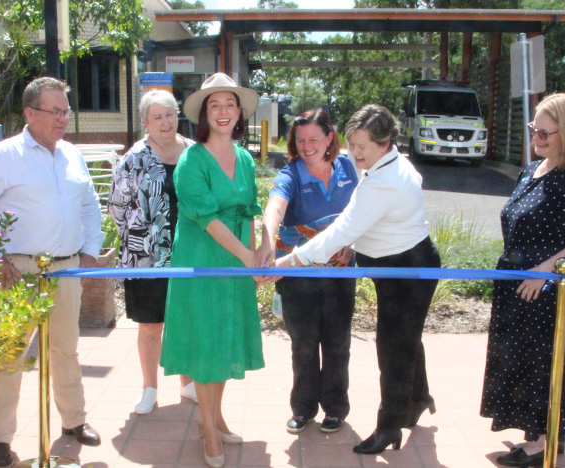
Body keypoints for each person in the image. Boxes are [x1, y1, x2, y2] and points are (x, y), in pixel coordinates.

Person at [0, 77, 104, 467]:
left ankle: (73, 422)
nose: (63, 119)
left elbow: (89, 205)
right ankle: (0, 441)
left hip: (66, 270)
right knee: (10, 355)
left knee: (66, 350)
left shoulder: (72, 155)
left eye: (66, 110)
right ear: (30, 113)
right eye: (55, 111)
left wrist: (89, 250)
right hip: (17, 272)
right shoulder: (4, 156)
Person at [271, 104, 441, 454]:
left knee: (393, 348)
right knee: (407, 339)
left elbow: (344, 228)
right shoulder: (385, 163)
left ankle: (389, 426)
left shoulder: (385, 179)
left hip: (407, 269)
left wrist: (287, 262)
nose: (356, 153)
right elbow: (356, 221)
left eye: (364, 146)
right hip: (391, 265)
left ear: (386, 142)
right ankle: (419, 398)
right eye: (353, 143)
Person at [480, 93, 565, 468]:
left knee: (548, 364)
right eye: (534, 129)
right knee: (524, 361)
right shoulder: (530, 170)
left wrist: (546, 269)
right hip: (520, 286)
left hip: (554, 289)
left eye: (545, 132)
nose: (537, 137)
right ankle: (535, 436)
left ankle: (546, 442)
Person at [158, 73, 264, 468]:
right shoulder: (191, 159)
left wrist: (255, 251)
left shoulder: (245, 157)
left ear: (239, 112)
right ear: (205, 113)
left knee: (223, 340)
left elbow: (248, 211)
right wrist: (247, 255)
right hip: (203, 259)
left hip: (235, 262)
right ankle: (207, 431)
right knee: (206, 346)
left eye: (230, 104)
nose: (223, 112)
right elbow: (207, 219)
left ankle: (215, 419)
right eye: (214, 105)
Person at [258, 109, 358, 435]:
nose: (307, 146)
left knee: (337, 344)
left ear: (330, 138)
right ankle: (302, 409)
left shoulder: (347, 168)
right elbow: (275, 206)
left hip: (340, 275)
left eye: (314, 138)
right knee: (303, 345)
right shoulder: (291, 174)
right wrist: (266, 238)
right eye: (300, 140)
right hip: (296, 277)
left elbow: (363, 213)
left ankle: (335, 409)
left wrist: (353, 244)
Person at [108, 89, 198, 414]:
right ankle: (149, 388)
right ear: (145, 121)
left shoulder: (194, 152)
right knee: (150, 325)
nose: (165, 122)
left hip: (190, 253)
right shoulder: (134, 158)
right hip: (146, 256)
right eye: (157, 116)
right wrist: (144, 236)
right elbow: (116, 208)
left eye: (170, 114)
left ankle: (187, 384)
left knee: (186, 321)